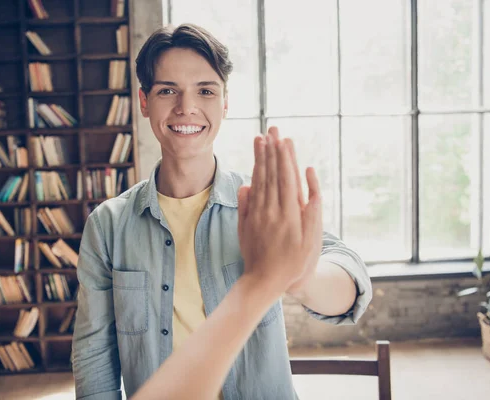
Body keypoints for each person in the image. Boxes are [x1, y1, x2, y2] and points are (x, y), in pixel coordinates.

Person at [72, 24, 372, 400]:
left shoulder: (260, 204)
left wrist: (294, 275)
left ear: (225, 102)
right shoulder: (108, 226)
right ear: (144, 101)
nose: (187, 107)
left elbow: (350, 283)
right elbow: (94, 359)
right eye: (168, 90)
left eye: (206, 91)